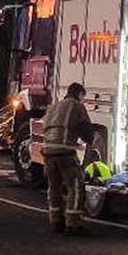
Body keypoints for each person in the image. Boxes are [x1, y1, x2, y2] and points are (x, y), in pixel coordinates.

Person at [41, 82, 94, 234]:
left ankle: (56, 221)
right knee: (76, 186)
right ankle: (73, 223)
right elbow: (86, 130)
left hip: (48, 152)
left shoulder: (54, 106)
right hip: (65, 153)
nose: (83, 100)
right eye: (83, 97)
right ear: (79, 94)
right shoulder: (76, 106)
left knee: (54, 187)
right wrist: (89, 140)